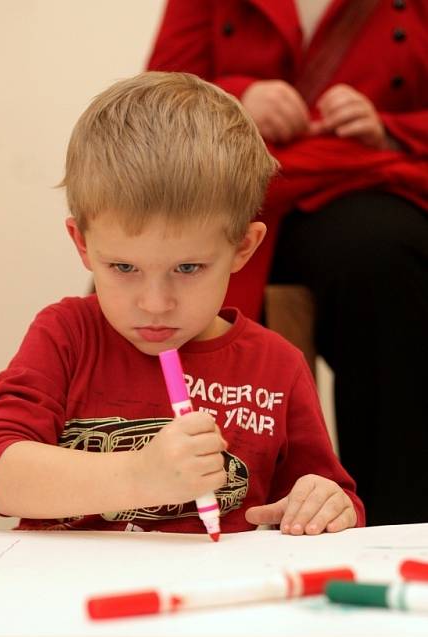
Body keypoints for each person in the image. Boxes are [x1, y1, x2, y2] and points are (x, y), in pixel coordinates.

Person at [0, 71, 364, 535]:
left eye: (188, 269)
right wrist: (138, 477)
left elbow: (331, 500)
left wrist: (327, 505)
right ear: (82, 244)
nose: (155, 304)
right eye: (123, 268)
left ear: (242, 247)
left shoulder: (277, 367)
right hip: (66, 601)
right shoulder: (66, 335)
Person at [147, 0, 428, 526]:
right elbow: (158, 96)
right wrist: (235, 100)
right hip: (235, 191)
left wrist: (388, 127)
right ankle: (186, 514)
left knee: (383, 257)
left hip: (365, 181)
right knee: (152, 269)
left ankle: (399, 524)